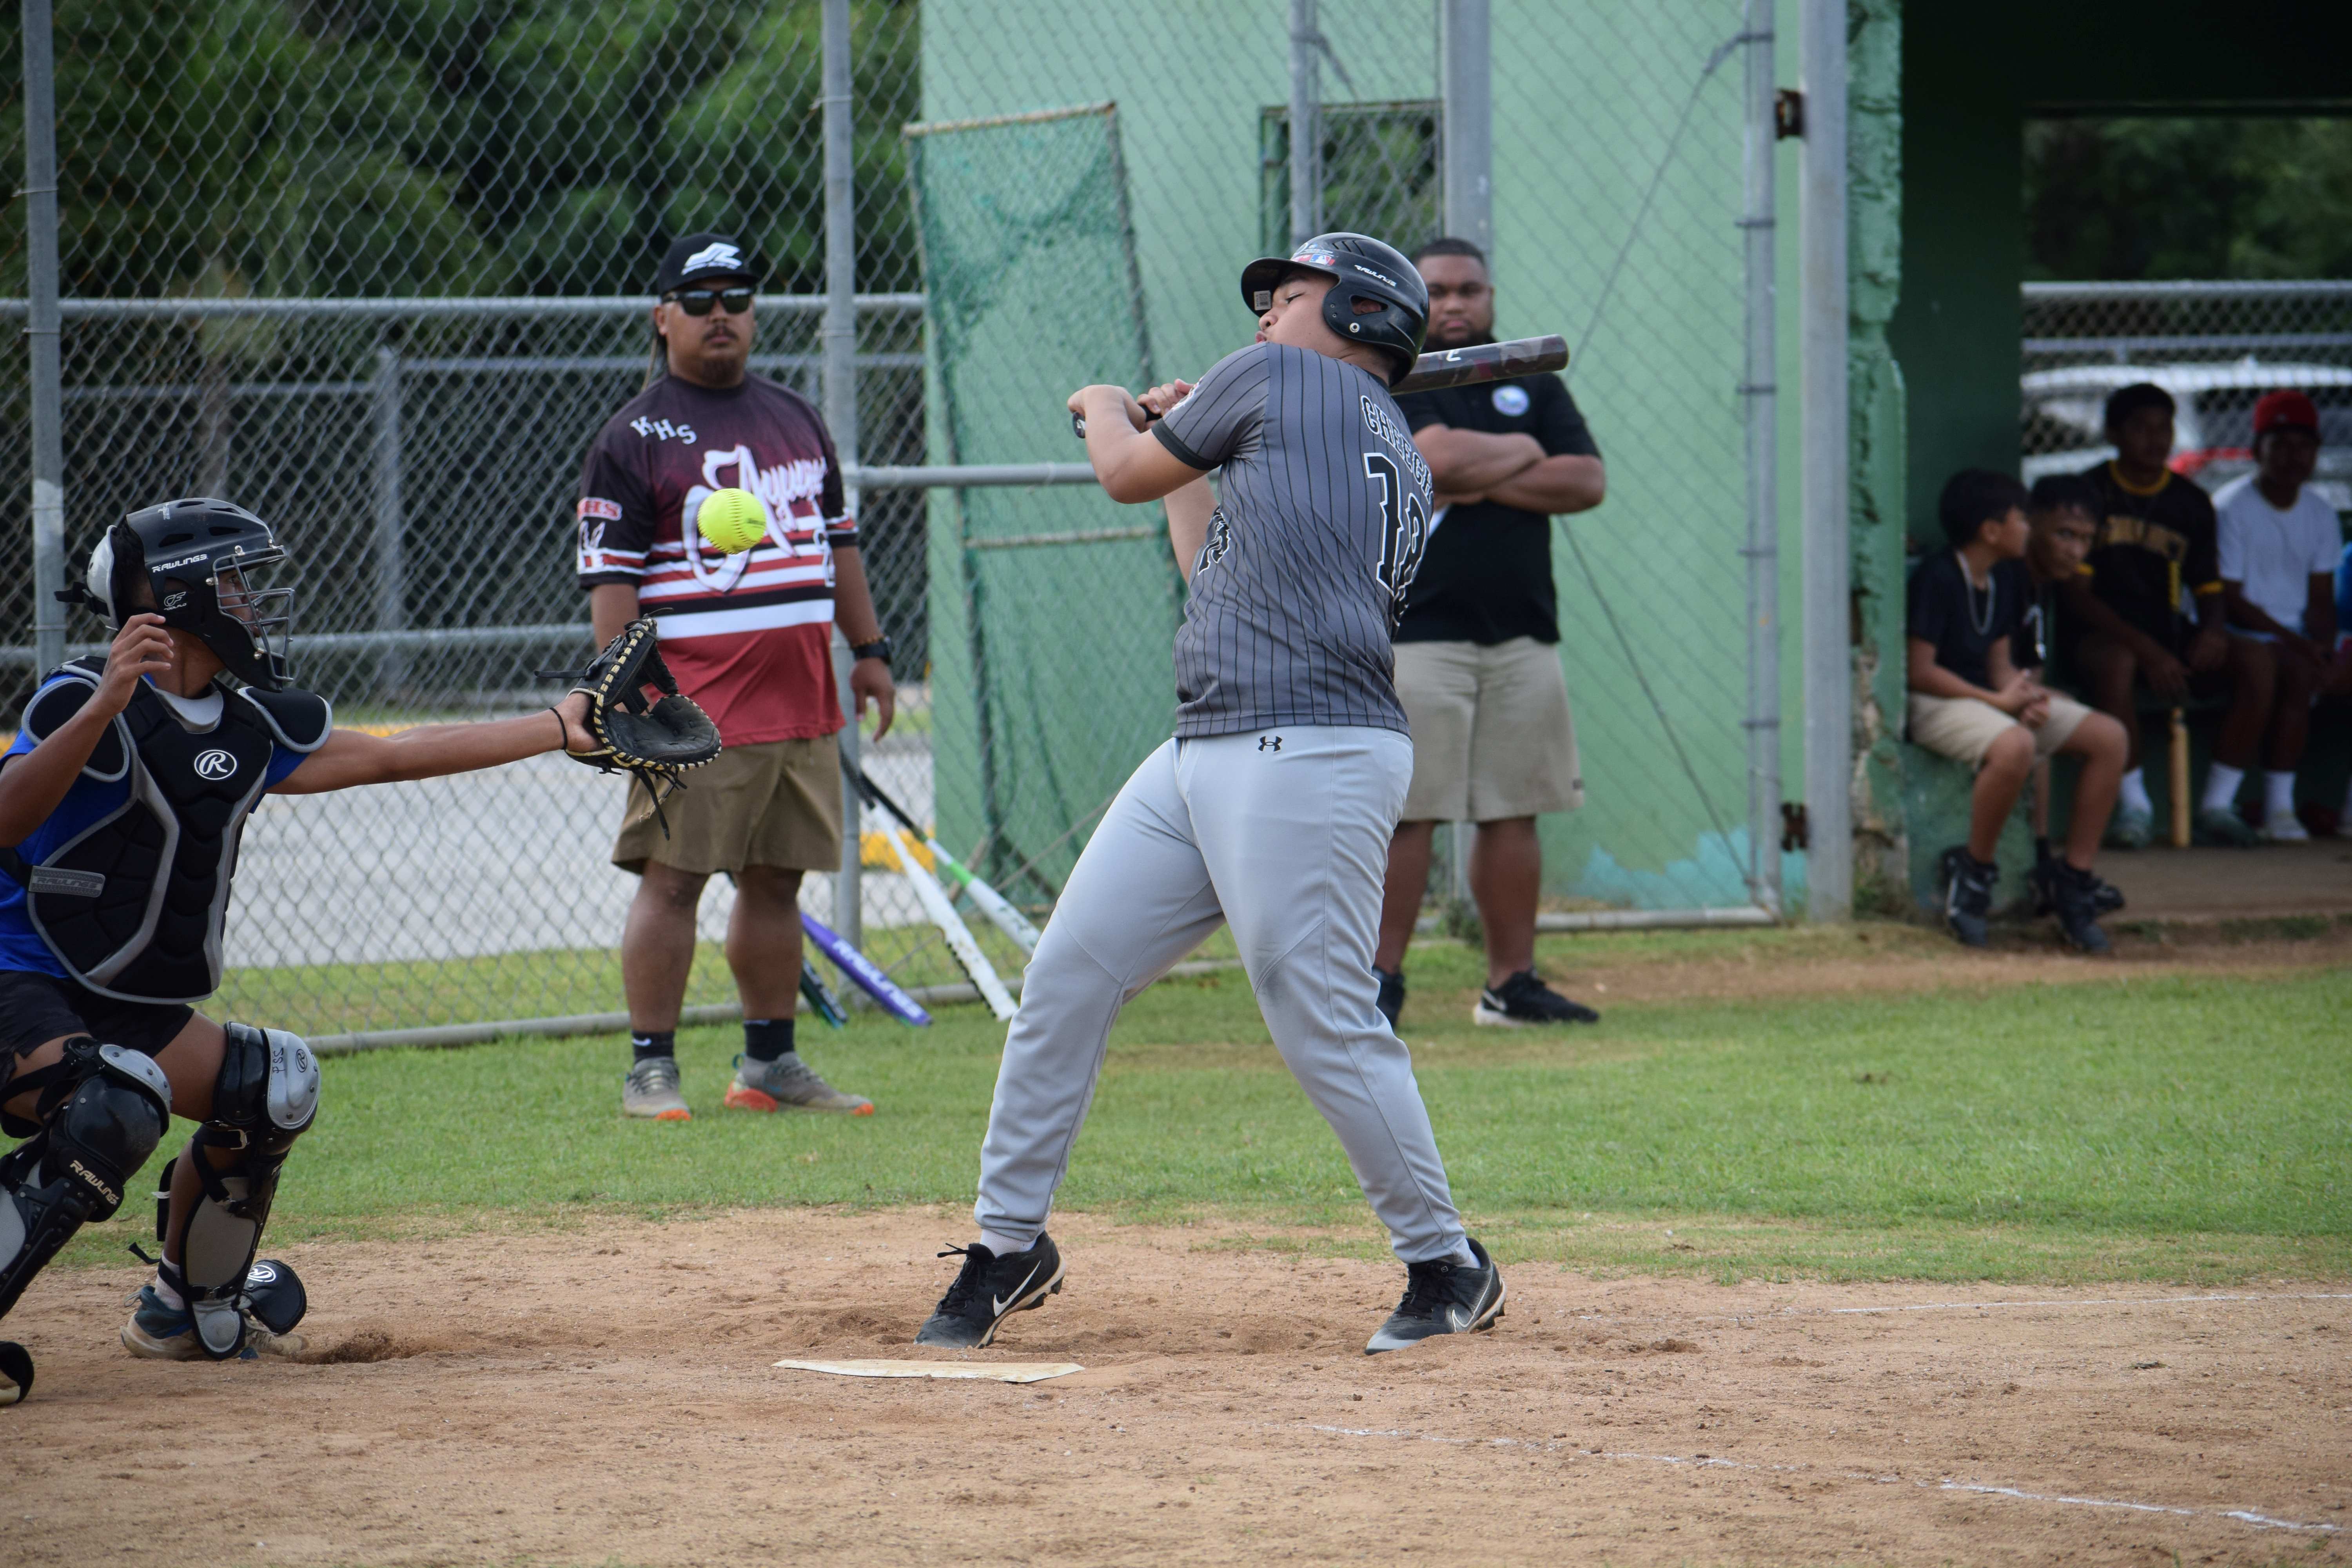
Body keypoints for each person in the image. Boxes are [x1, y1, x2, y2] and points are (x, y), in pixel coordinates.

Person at [913, 234, 1505, 1357]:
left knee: (1321, 1013)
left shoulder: (1279, 380)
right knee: (1068, 978)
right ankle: (1009, 1242)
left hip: (1311, 746)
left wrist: (1105, 409)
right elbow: (1202, 560)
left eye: (1287, 299)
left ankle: (1446, 1263)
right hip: (1211, 743)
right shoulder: (1383, 436)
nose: (1262, 319)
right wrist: (1187, 442)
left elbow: (1123, 472)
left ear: (1365, 316)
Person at [0, 499, 606, 1401]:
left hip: (123, 995)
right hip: (19, 976)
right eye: (235, 583)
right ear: (178, 595)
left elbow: (395, 757)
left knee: (273, 1087)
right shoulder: (76, 696)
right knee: (113, 1108)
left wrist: (560, 725)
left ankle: (181, 1308)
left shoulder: (248, 726)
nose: (252, 601)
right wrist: (106, 704)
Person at [575, 232, 893, 1122]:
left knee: (778, 880)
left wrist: (868, 652)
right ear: (663, 316)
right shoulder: (633, 436)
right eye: (701, 298)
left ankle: (769, 1062)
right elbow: (613, 581)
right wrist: (629, 691)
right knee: (672, 880)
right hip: (694, 706)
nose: (722, 314)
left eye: (738, 297)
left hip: (801, 695)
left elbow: (839, 544)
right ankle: (651, 1067)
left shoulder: (796, 415)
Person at [1371, 237, 1607, 1030]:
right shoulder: (1392, 375)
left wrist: (1482, 473)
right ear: (1413, 300)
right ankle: (1378, 983)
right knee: (1410, 811)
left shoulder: (1528, 377)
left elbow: (1586, 479)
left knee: (1515, 808)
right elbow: (1430, 460)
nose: (1455, 304)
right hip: (1419, 631)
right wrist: (1521, 456)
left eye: (1469, 289)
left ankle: (1510, 985)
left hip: (1523, 633)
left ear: (1492, 296)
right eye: (1437, 291)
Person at [1909, 471, 2125, 951]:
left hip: (1986, 699)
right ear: (1991, 530)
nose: (2028, 529)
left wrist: (2022, 695)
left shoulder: (2006, 579)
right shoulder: (1939, 575)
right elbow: (1919, 671)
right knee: (2016, 744)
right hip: (1937, 701)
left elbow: (2001, 665)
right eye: (2022, 519)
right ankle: (1974, 873)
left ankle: (2073, 880)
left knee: (2109, 737)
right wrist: (1998, 703)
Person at [2063, 382, 2267, 848]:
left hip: (2168, 631)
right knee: (2118, 662)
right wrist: (2145, 648)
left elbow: (2209, 586)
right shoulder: (2092, 491)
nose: (2156, 439)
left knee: (2257, 661)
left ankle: (2218, 804)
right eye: (2141, 428)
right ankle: (2134, 807)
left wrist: (2214, 630)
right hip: (2100, 632)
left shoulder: (2190, 501)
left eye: (2164, 427)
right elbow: (2078, 595)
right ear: (2114, 433)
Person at [2211, 390, 2346, 843]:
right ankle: (2236, 804)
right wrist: (2299, 645)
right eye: (2281, 444)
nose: (2294, 457)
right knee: (2284, 666)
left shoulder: (2321, 513)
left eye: (2304, 446)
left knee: (2309, 669)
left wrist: (2323, 648)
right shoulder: (2231, 507)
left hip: (2296, 641)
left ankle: (2283, 810)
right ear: (2257, 450)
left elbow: (2322, 598)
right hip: (2237, 632)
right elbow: (2230, 598)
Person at [2021, 475, 2127, 919]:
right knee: (2104, 736)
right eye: (2064, 534)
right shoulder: (2011, 574)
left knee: (2062, 717)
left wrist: (2039, 690)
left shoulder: (2043, 583)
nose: (2075, 551)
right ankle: (2058, 872)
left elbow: (2031, 667)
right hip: (1978, 700)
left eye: (2085, 540)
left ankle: (2058, 871)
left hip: (2013, 698)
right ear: (2030, 523)